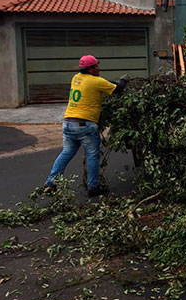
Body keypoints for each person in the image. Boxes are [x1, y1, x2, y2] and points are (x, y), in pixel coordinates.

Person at [43, 55, 129, 197]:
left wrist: (115, 82)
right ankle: (93, 187)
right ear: (90, 69)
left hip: (68, 123)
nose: (98, 68)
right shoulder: (96, 81)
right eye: (96, 66)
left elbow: (106, 83)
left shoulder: (76, 78)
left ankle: (51, 182)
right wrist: (124, 80)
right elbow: (118, 89)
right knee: (92, 156)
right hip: (85, 125)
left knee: (66, 153)